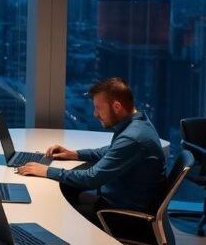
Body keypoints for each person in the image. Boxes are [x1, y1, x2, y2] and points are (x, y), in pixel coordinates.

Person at [15, 78, 167, 225]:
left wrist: (46, 170)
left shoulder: (133, 137)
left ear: (117, 107)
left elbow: (91, 179)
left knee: (54, 212)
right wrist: (74, 154)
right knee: (64, 191)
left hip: (124, 217)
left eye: (98, 108)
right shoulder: (138, 124)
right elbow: (111, 151)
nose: (95, 114)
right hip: (121, 202)